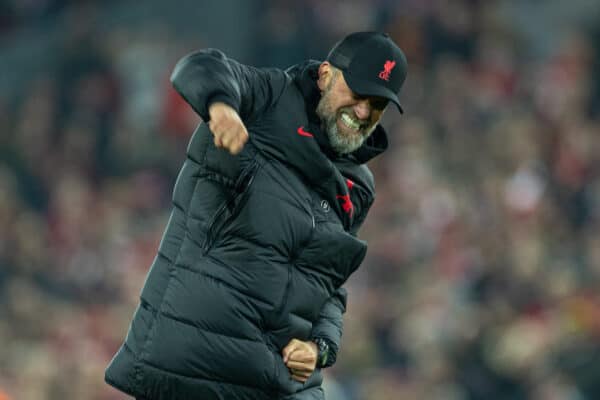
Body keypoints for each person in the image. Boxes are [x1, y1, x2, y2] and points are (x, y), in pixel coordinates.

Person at [105, 31, 407, 400]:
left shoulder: (359, 185)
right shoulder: (269, 98)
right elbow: (198, 67)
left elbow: (329, 285)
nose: (363, 112)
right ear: (326, 74)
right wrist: (222, 108)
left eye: (377, 105)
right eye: (358, 94)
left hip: (280, 382)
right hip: (195, 365)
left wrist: (321, 348)